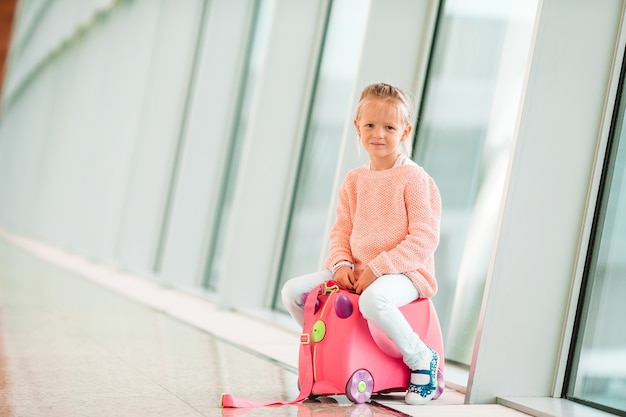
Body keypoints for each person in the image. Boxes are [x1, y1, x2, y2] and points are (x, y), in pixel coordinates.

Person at [281, 82, 442, 405]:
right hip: (357, 271)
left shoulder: (414, 179)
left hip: (406, 273)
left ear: (405, 131)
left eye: (389, 127)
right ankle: (324, 352)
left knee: (373, 301)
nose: (378, 134)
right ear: (357, 127)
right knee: (294, 292)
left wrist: (380, 268)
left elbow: (424, 239)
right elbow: (340, 232)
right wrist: (340, 265)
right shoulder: (354, 180)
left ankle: (421, 358)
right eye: (370, 125)